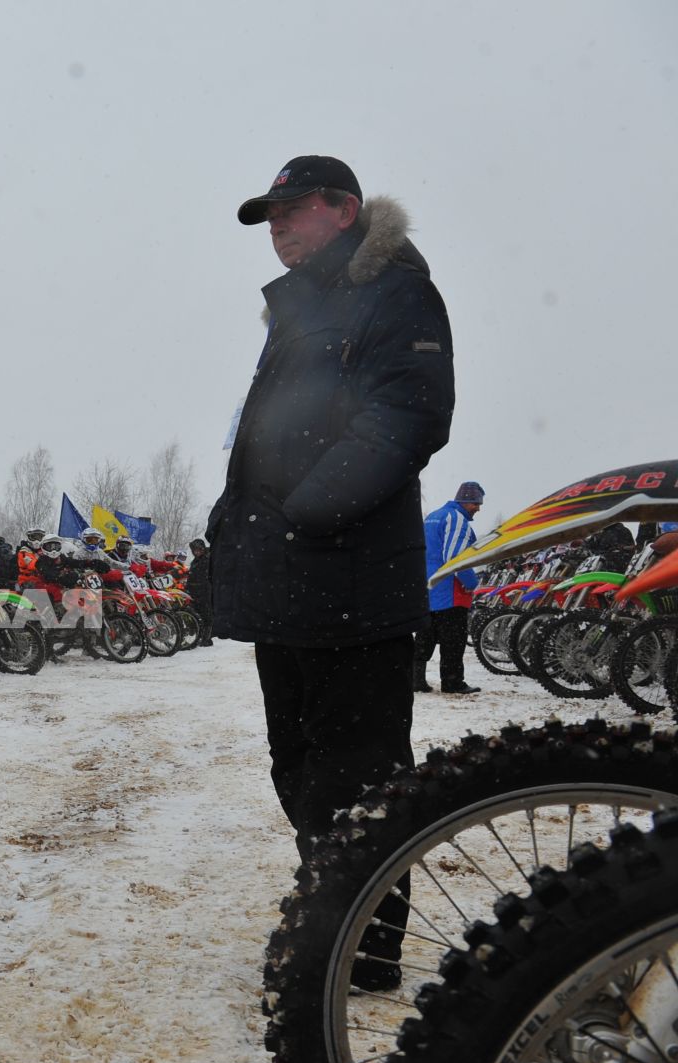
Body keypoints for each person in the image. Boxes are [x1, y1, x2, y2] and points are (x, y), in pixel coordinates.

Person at [207, 155, 454, 991]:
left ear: (343, 209)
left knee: (358, 772)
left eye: (290, 209)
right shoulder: (300, 311)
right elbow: (268, 438)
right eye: (268, 215)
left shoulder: (393, 290)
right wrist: (229, 535)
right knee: (301, 767)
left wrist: (307, 511)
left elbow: (409, 412)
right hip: (292, 588)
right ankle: (338, 912)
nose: (276, 226)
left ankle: (361, 943)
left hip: (352, 585)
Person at [418, 481, 483, 694]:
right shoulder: (456, 519)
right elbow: (454, 558)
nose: (478, 508)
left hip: (429, 588)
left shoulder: (432, 516)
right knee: (453, 640)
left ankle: (415, 679)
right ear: (466, 500)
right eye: (476, 503)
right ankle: (452, 682)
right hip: (449, 592)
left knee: (425, 637)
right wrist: (471, 583)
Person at [187, 538, 214, 645]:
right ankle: (200, 636)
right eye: (195, 550)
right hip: (194, 592)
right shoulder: (195, 561)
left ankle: (207, 638)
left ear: (202, 549)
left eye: (198, 550)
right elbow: (191, 576)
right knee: (197, 614)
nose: (196, 552)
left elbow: (207, 576)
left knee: (206, 614)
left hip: (205, 591)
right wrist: (188, 588)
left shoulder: (207, 559)